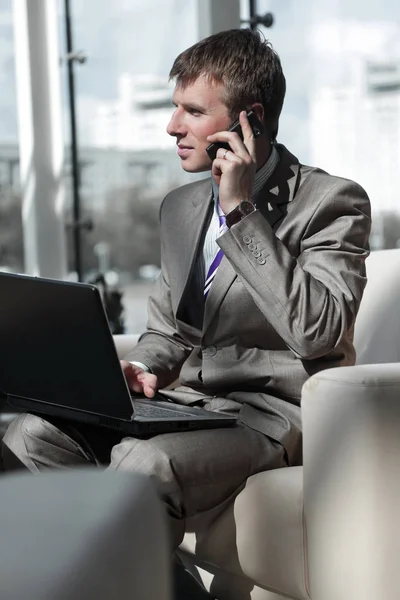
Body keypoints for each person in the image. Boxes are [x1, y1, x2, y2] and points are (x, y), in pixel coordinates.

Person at [4, 26, 370, 561]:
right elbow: (169, 331)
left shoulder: (330, 202)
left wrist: (243, 212)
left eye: (193, 112)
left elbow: (317, 333)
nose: (172, 126)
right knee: (31, 436)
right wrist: (145, 365)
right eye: (176, 109)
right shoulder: (180, 208)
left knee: (141, 465)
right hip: (189, 408)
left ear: (252, 119)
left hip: (271, 418)